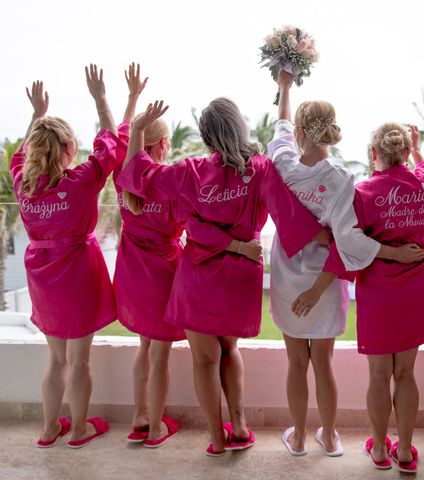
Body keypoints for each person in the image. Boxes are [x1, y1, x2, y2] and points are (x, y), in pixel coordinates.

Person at [116, 98, 327, 456]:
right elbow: (288, 216)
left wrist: (136, 129)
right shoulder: (259, 168)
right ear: (240, 128)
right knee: (230, 349)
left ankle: (217, 437)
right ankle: (240, 425)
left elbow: (136, 179)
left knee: (204, 360)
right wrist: (328, 238)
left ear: (206, 136)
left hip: (198, 276)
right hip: (240, 277)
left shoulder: (191, 170)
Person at [270, 71, 424, 457]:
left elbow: (281, 125)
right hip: (324, 280)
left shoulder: (284, 161)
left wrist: (285, 87)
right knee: (323, 364)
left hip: (288, 273)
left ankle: (301, 440)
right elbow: (349, 240)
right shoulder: (342, 179)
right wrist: (393, 253)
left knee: (295, 362)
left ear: (303, 132)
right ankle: (330, 436)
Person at [324, 123, 424, 472]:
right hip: (416, 287)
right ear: (406, 153)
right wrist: (419, 149)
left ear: (373, 154)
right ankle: (406, 451)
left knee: (379, 375)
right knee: (406, 374)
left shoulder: (362, 193)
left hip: (379, 290)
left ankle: (380, 450)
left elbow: (349, 240)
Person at [11, 66, 125, 448]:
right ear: (67, 149)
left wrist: (36, 114)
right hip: (77, 273)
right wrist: (100, 98)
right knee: (79, 360)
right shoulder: (79, 183)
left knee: (56, 360)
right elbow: (111, 146)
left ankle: (48, 429)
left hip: (42, 278)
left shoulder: (22, 185)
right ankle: (78, 429)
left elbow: (19, 156)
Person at [112, 63, 182, 447]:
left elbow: (124, 144)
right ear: (162, 146)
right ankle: (155, 427)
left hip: (132, 274)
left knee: (143, 346)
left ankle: (139, 415)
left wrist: (133, 105)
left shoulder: (123, 183)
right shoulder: (170, 183)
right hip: (163, 274)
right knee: (160, 354)